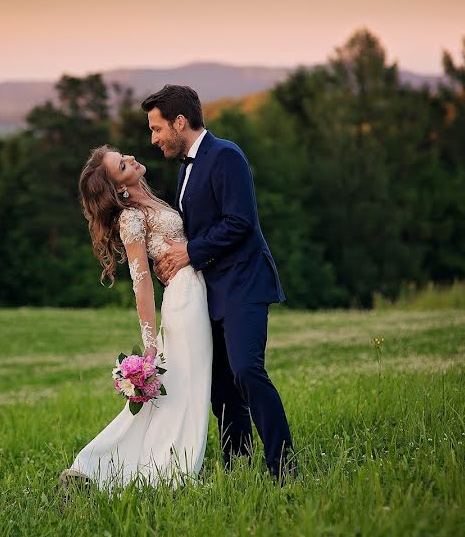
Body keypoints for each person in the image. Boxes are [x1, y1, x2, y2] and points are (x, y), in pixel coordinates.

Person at [143, 84, 296, 482]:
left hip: (244, 283)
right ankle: (237, 466)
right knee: (222, 388)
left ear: (180, 122)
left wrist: (189, 252)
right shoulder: (183, 171)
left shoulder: (226, 155)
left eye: (157, 129)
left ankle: (284, 467)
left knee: (247, 371)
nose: (154, 138)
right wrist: (174, 260)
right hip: (209, 292)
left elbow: (239, 222)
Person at [61, 145, 212, 490]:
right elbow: (142, 282)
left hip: (196, 289)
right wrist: (148, 343)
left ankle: (149, 464)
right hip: (184, 298)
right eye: (122, 165)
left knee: (187, 385)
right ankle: (160, 472)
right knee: (186, 388)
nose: (131, 159)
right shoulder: (130, 217)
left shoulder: (151, 201)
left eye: (124, 157)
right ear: (119, 188)